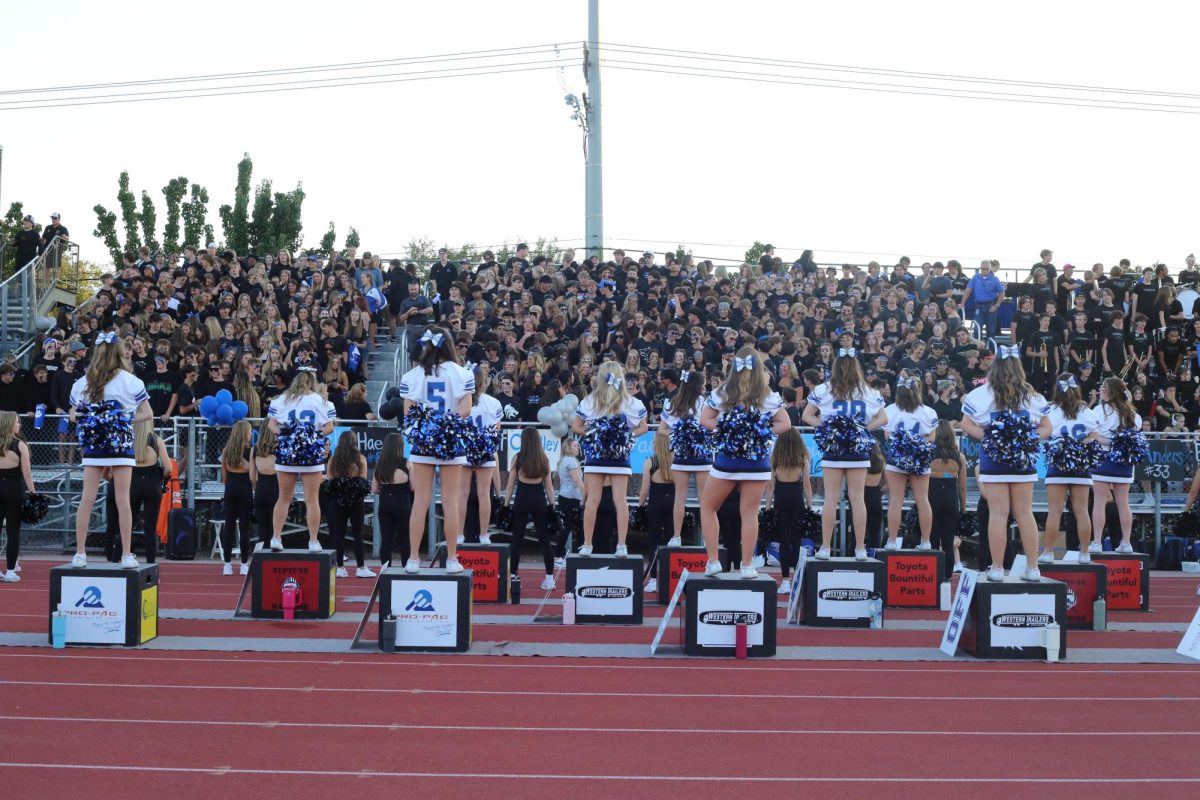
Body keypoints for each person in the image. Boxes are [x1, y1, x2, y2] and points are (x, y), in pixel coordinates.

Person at [960, 346, 1051, 581]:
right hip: (1023, 460)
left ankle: (998, 568)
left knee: (998, 514)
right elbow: (1047, 427)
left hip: (993, 459)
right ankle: (1033, 568)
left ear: (995, 366)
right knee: (1024, 513)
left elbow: (966, 425)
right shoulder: (1033, 396)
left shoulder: (980, 394)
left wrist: (991, 438)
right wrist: (1024, 439)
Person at [699, 347, 791, 578]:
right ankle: (747, 566)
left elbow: (705, 419)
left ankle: (713, 562)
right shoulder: (767, 395)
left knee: (708, 507)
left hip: (727, 462)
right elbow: (785, 424)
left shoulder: (723, 392)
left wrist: (729, 430)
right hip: (757, 462)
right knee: (749, 513)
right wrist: (758, 432)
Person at [69, 331, 153, 569]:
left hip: (94, 445)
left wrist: (94, 417)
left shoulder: (82, 382)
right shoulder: (131, 381)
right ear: (120, 354)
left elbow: (73, 414)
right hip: (120, 443)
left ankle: (80, 554)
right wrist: (122, 419)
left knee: (87, 498)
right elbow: (147, 413)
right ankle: (127, 555)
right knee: (122, 499)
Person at [398, 327, 474, 573]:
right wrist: (445, 425)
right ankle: (452, 559)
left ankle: (413, 559)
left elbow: (408, 411)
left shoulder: (413, 375)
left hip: (423, 440)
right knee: (450, 501)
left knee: (420, 501)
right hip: (450, 441)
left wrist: (430, 426)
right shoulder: (461, 373)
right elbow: (466, 410)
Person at [801, 348, 887, 560]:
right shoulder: (867, 391)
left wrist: (828, 429)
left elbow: (806, 415)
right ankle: (859, 548)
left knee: (831, 498)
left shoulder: (824, 389)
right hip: (857, 450)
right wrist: (864, 428)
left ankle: (826, 548)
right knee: (858, 499)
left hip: (834, 449)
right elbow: (883, 419)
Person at [571, 362, 648, 556]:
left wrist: (595, 434)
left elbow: (576, 427)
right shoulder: (631, 402)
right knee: (620, 500)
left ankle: (588, 545)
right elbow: (643, 427)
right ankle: (621, 545)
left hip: (596, 455)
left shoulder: (590, 401)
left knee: (592, 500)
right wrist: (624, 437)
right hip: (619, 456)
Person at [266, 368, 336, 553]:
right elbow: (329, 427)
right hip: (310, 451)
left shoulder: (281, 399)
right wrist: (310, 436)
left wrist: (288, 436)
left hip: (287, 450)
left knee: (284, 497)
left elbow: (271, 425)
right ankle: (313, 541)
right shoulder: (322, 401)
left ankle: (276, 537)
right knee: (312, 499)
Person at [1041, 375, 1100, 562]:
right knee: (1081, 510)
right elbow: (1095, 433)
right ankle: (1084, 553)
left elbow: (1044, 434)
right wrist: (1083, 444)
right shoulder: (1085, 410)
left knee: (1055, 510)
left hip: (1058, 463)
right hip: (1080, 464)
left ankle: (1048, 553)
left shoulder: (1051, 410)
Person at [881, 371, 939, 550]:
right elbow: (931, 439)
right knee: (922, 499)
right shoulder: (928, 412)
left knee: (896, 500)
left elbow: (887, 437)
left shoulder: (890, 410)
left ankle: (891, 541)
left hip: (897, 459)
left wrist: (904, 448)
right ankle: (926, 542)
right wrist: (916, 449)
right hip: (919, 460)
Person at [1089, 377, 1143, 556]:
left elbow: (1094, 435)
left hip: (1103, 460)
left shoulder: (1098, 410)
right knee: (1123, 503)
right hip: (1124, 463)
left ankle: (1096, 542)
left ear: (1113, 390)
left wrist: (1105, 441)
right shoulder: (1132, 413)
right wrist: (1117, 444)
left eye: (1105, 388)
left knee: (1099, 502)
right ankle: (1126, 542)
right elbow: (1134, 435)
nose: (1101, 390)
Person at [658, 369, 711, 546]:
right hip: (700, 455)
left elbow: (662, 430)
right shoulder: (706, 403)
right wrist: (684, 433)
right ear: (698, 385)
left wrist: (677, 433)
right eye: (703, 384)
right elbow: (713, 426)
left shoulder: (677, 402)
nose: (705, 387)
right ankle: (704, 540)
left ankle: (676, 537)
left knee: (680, 497)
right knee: (704, 498)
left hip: (682, 455)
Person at [504, 426, 557, 590]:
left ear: (524, 441)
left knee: (517, 539)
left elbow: (510, 486)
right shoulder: (544, 459)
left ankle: (513, 576)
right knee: (545, 540)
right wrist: (552, 506)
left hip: (521, 499)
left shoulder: (518, 458)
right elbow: (549, 487)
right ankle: (549, 579)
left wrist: (505, 505)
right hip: (539, 500)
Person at [763, 428, 812, 595]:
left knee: (784, 541)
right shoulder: (802, 458)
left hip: (781, 501)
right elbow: (807, 485)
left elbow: (770, 486)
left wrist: (767, 506)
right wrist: (810, 507)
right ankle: (798, 581)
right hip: (797, 500)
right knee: (797, 541)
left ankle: (785, 582)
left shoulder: (775, 459)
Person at [458, 363, 503, 545]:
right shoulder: (493, 403)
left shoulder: (461, 400)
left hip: (465, 448)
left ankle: (459, 534)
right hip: (485, 449)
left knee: (462, 494)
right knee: (484, 494)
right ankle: (484, 534)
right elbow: (496, 431)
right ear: (484, 382)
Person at [326, 430, 372, 578]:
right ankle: (361, 567)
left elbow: (330, 480)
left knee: (339, 532)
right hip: (356, 500)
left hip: (338, 499)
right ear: (354, 442)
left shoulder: (333, 459)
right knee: (358, 533)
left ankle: (340, 567)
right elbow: (363, 480)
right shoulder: (360, 458)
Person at [637, 430, 676, 594]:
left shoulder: (649, 462)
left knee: (654, 541)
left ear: (657, 444)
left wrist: (640, 506)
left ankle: (653, 580)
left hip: (656, 502)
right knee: (671, 540)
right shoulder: (676, 461)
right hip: (673, 501)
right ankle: (670, 580)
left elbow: (644, 490)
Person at [125, 419, 168, 565]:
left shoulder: (128, 438)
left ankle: (119, 560)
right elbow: (168, 468)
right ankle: (150, 564)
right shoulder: (157, 440)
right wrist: (159, 476)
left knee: (126, 525)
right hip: (152, 485)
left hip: (133, 484)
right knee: (150, 528)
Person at [928, 421, 967, 573]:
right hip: (951, 500)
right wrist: (963, 508)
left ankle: (933, 576)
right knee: (948, 542)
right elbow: (962, 487)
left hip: (932, 499)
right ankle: (948, 577)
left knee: (932, 541)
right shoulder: (960, 457)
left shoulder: (928, 453)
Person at [0, 412, 34, 583]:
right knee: (13, 531)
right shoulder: (20, 445)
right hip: (14, 489)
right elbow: (27, 473)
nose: (19, 425)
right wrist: (33, 493)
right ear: (8, 424)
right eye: (16, 422)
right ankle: (11, 571)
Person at [219, 420, 254, 575]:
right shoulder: (250, 450)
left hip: (230, 488)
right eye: (249, 431)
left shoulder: (227, 450)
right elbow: (252, 473)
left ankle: (227, 565)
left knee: (229, 526)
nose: (251, 433)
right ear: (243, 433)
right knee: (244, 527)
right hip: (244, 488)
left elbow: (224, 475)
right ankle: (244, 564)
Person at [373, 433, 411, 568]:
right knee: (404, 539)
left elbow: (374, 489)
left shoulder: (380, 464)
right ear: (400, 446)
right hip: (402, 502)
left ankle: (385, 570)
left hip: (385, 503)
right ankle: (406, 568)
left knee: (386, 540)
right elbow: (414, 487)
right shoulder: (407, 463)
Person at [554, 437, 584, 565]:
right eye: (575, 446)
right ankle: (565, 556)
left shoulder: (564, 460)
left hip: (566, 496)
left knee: (569, 528)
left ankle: (560, 556)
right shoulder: (571, 461)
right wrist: (586, 495)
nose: (578, 448)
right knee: (575, 528)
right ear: (568, 448)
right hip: (570, 498)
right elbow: (577, 480)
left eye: (578, 446)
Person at [250, 420, 278, 550]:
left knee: (262, 526)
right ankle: (274, 558)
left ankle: (262, 556)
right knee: (275, 526)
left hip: (261, 487)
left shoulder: (255, 449)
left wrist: (257, 488)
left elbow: (252, 476)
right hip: (276, 488)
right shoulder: (279, 447)